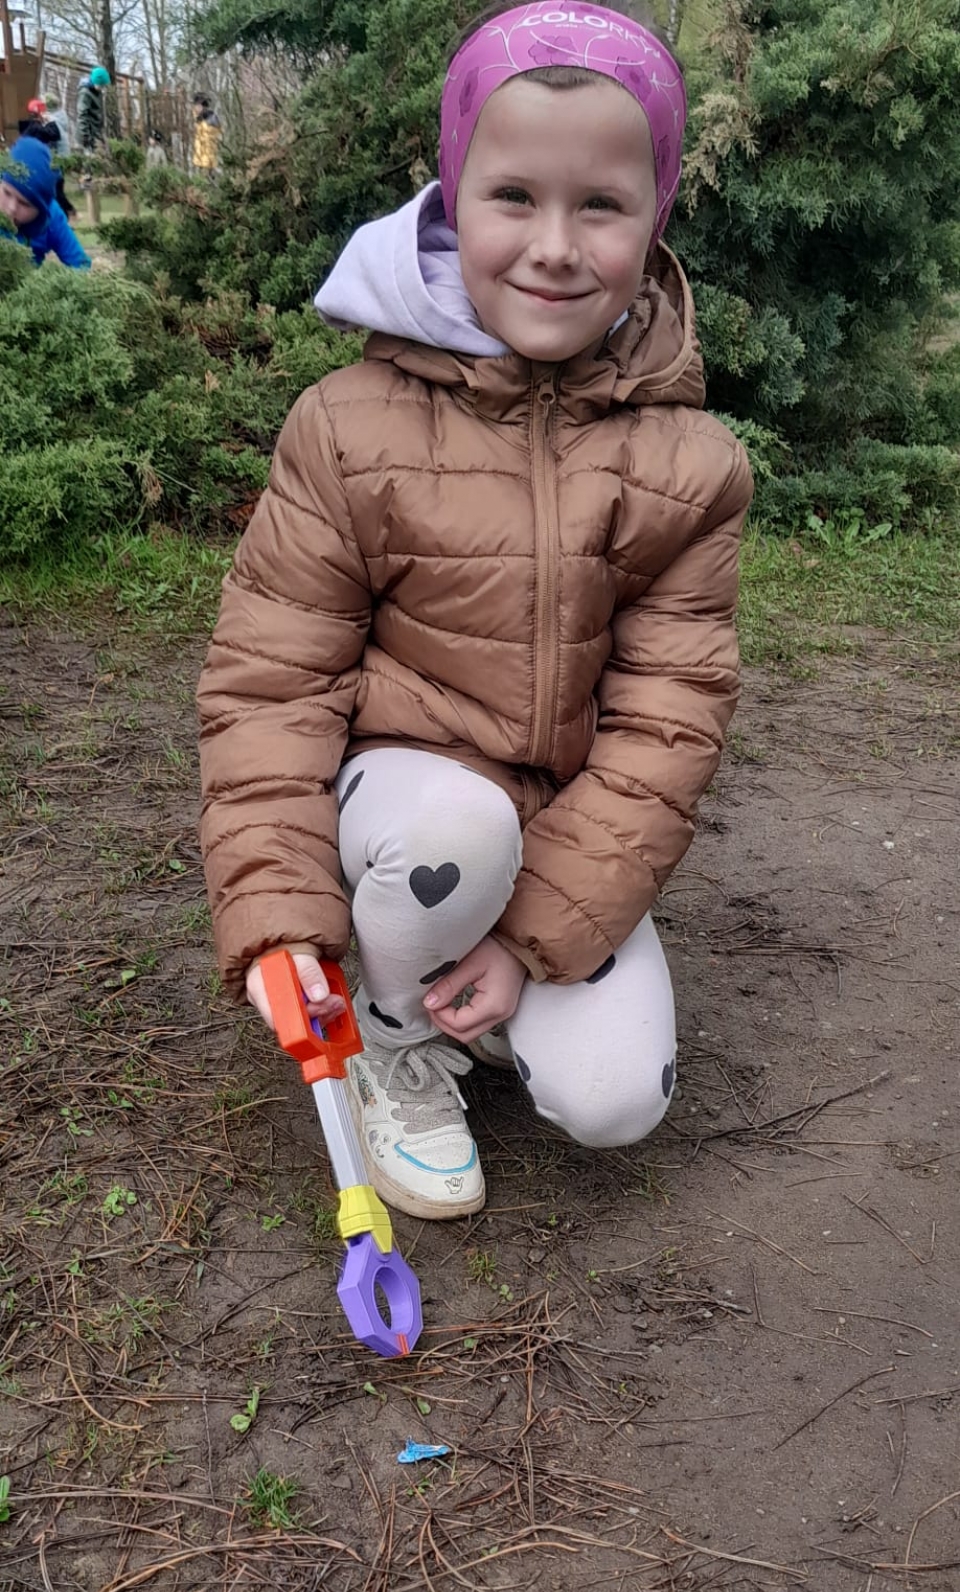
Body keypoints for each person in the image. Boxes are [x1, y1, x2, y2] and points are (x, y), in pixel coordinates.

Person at [198, 2, 753, 1222]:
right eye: (514, 196)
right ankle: (394, 1036)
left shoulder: (694, 466)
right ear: (455, 197)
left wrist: (530, 942)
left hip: (559, 832)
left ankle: (472, 978)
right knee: (458, 828)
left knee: (615, 1101)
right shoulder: (347, 427)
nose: (555, 246)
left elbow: (668, 729)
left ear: (654, 217)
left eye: (600, 205)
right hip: (406, 809)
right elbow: (270, 685)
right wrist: (281, 916)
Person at [0, 136, 90, 267]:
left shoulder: (53, 217)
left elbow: (80, 264)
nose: (11, 208)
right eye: (7, 193)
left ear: (41, 209)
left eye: (24, 203)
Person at [17, 113, 78, 219]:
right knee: (56, 191)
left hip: (46, 164)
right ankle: (68, 212)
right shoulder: (37, 128)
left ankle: (68, 212)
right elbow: (54, 134)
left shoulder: (31, 129)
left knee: (56, 191)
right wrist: (50, 121)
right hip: (48, 165)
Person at [77, 66, 109, 154]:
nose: (102, 87)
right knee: (89, 158)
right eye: (101, 85)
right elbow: (82, 115)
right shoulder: (85, 93)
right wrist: (85, 135)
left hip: (96, 131)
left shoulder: (97, 92)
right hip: (87, 133)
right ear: (96, 81)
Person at [191, 94, 222, 173]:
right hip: (200, 157)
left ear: (203, 107)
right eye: (195, 106)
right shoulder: (198, 120)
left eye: (198, 106)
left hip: (209, 158)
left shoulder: (211, 118)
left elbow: (214, 138)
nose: (196, 109)